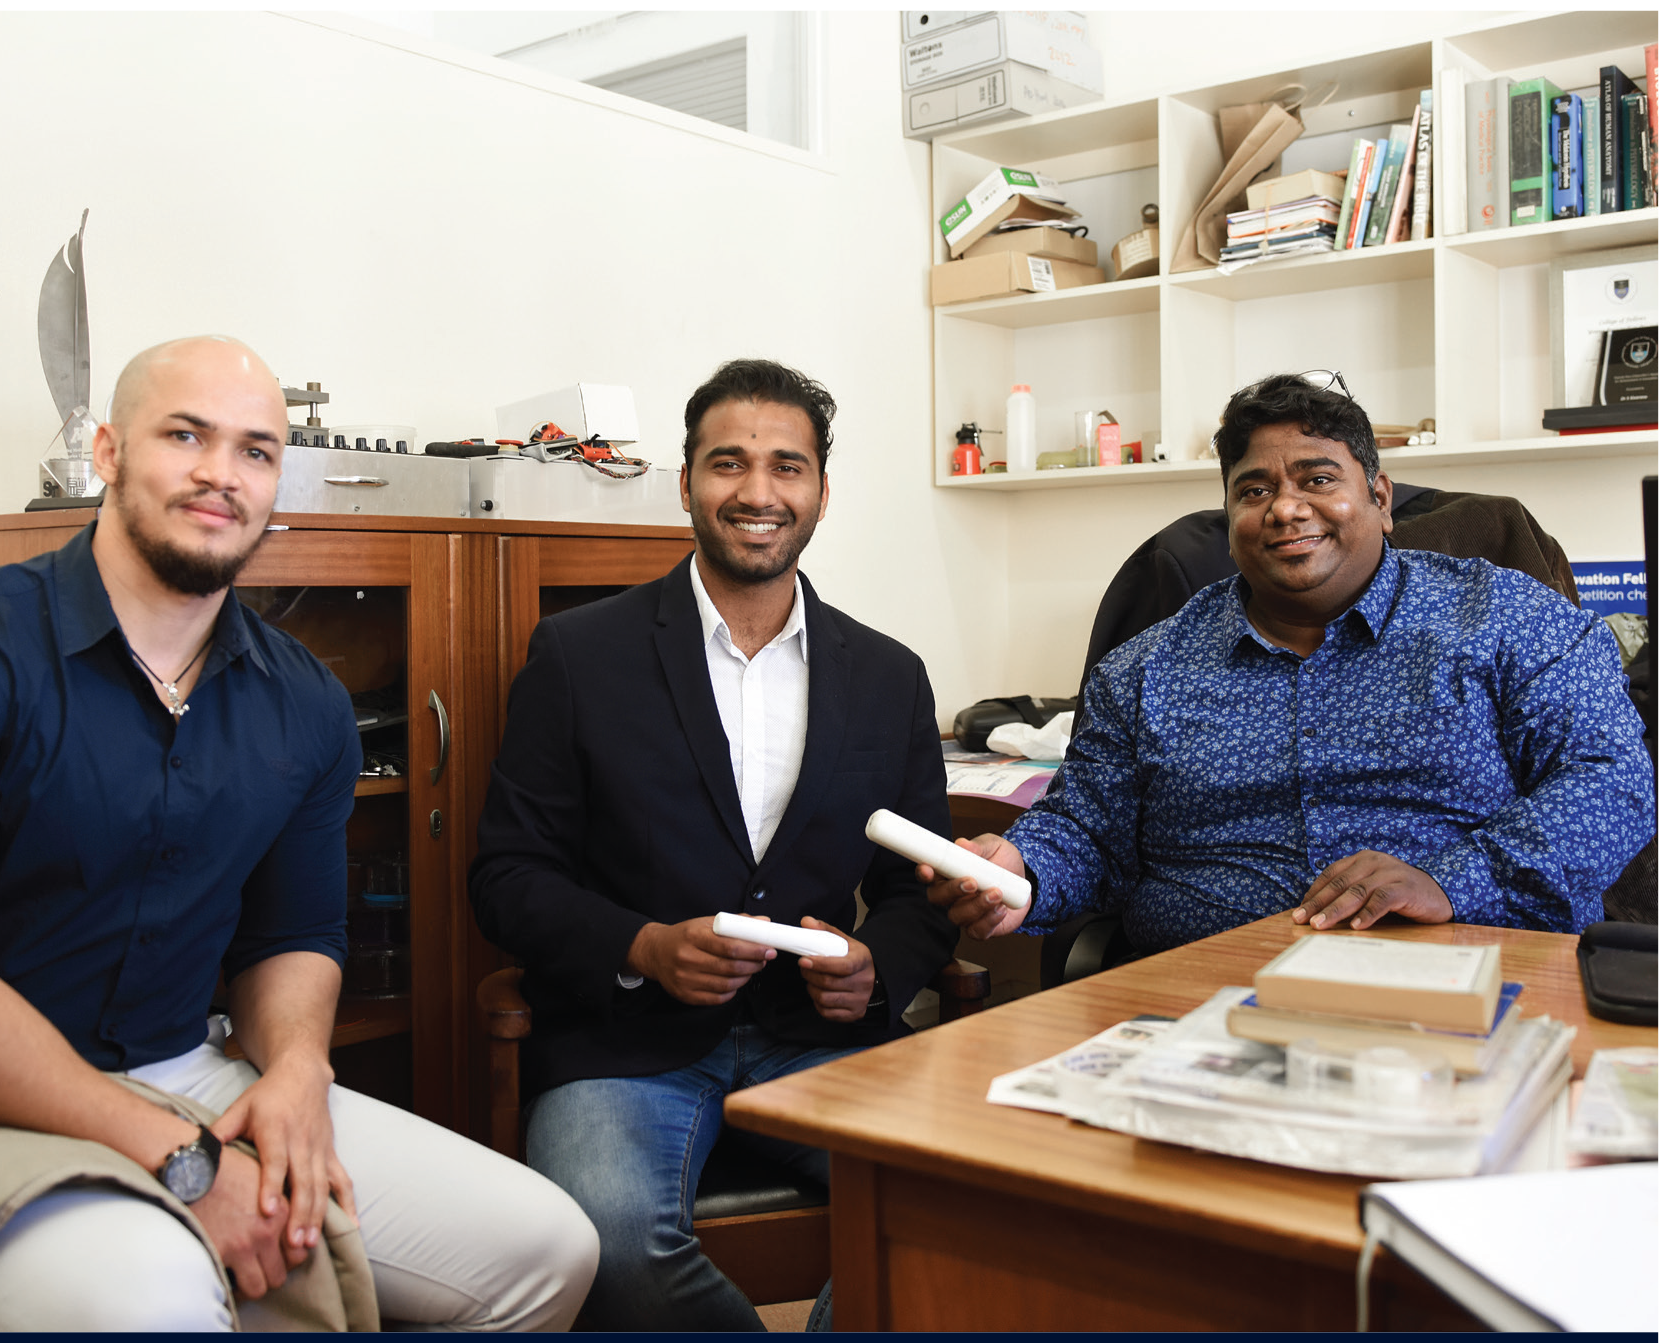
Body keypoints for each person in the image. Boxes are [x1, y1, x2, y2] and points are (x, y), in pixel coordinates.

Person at [0, 335, 598, 1331]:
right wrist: (186, 1161)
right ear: (107, 451)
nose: (222, 474)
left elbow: (292, 936)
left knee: (546, 1247)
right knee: (156, 1292)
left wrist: (300, 1069)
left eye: (256, 450)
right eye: (186, 434)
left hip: (194, 1068)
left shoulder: (305, 700)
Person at [469, 357, 960, 1331]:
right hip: (626, 1045)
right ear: (688, 480)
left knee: (963, 1198)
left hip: (825, 1040)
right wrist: (641, 945)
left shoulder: (889, 676)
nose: (758, 491)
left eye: (787, 465)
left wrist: (878, 965)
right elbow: (506, 875)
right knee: (603, 1232)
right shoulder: (579, 655)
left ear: (821, 488)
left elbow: (921, 889)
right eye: (728, 463)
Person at [926, 370, 1655, 951]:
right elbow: (1088, 831)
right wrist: (1022, 870)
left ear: (1379, 497)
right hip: (1196, 995)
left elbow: (1614, 782)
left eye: (1317, 479)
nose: (1284, 508)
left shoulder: (1508, 619)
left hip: (1460, 972)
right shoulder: (1144, 669)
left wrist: (1453, 881)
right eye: (1255, 489)